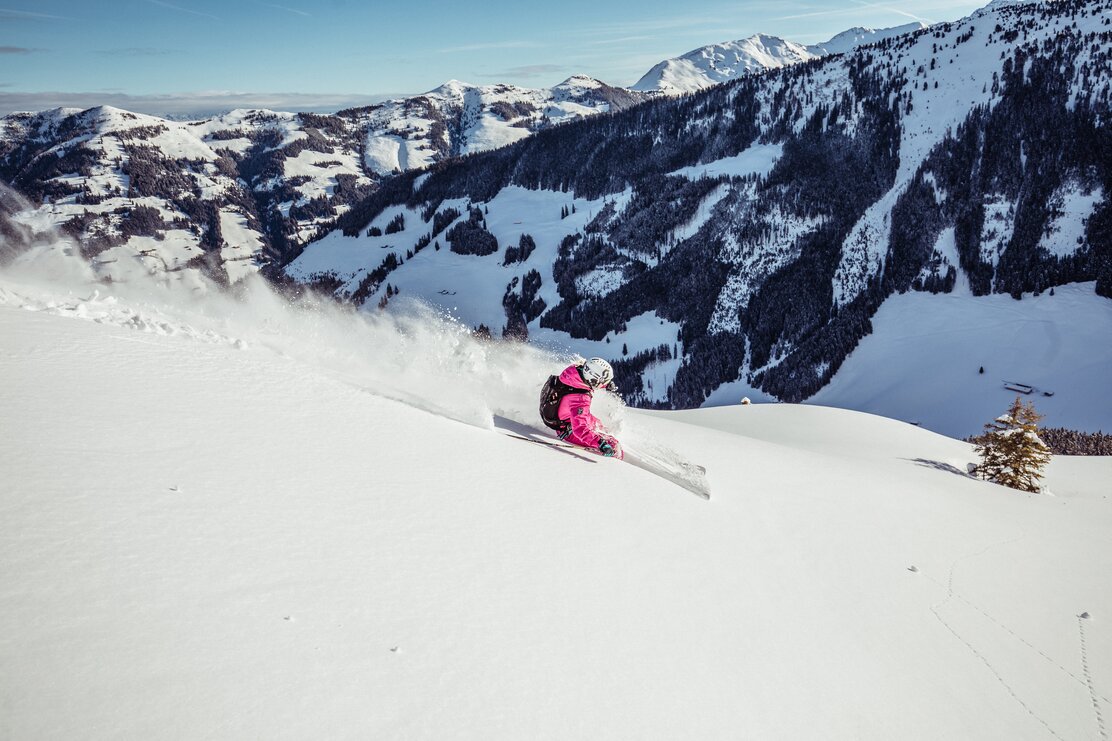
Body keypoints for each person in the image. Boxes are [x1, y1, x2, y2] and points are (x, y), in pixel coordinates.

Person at [539, 358, 623, 459]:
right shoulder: (580, 399)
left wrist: (605, 384)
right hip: (567, 429)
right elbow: (580, 429)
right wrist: (600, 443)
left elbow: (590, 379)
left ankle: (601, 432)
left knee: (599, 424)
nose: (603, 384)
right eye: (602, 381)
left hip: (563, 413)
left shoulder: (573, 372)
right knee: (614, 446)